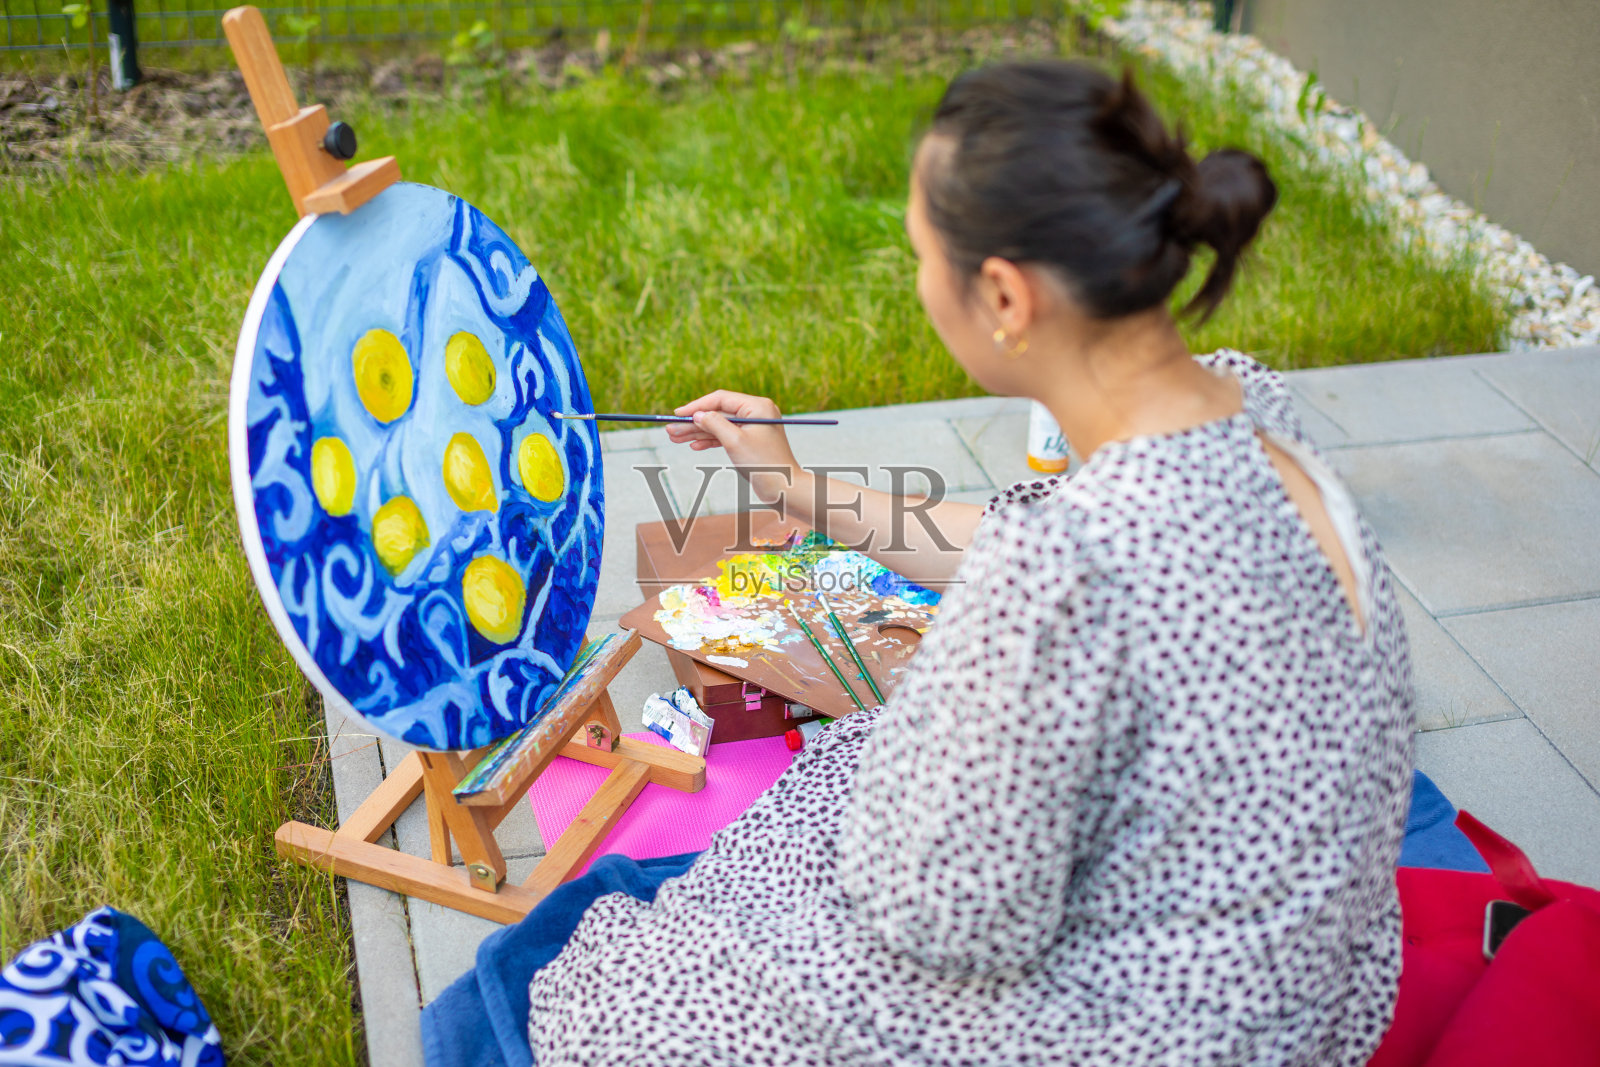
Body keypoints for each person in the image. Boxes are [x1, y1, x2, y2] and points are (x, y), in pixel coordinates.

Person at [525, 60, 1414, 1065]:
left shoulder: (1064, 576)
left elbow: (951, 926)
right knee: (846, 781)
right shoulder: (1249, 409)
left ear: (1001, 293)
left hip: (1172, 1029)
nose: (915, 280)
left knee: (637, 999)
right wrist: (798, 489)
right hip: (1316, 975)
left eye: (918, 253)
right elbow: (1017, 532)